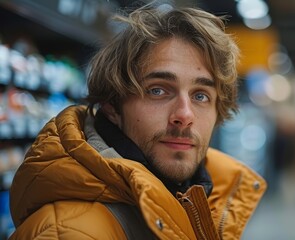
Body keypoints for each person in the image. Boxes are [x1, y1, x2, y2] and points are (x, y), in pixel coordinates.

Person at [8, 4, 266, 240]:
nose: (185, 115)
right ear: (112, 105)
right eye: (158, 90)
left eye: (200, 95)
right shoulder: (69, 233)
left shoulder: (201, 200)